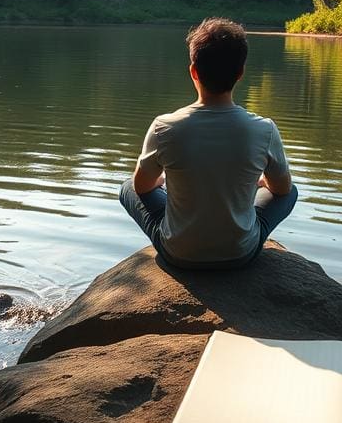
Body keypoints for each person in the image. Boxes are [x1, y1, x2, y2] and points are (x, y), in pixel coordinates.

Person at [119, 17, 297, 268]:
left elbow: (141, 186)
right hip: (240, 255)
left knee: (127, 187)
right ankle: (241, 235)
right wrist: (261, 182)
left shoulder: (165, 126)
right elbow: (282, 190)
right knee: (291, 191)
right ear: (240, 73)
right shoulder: (264, 129)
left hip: (178, 254)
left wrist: (161, 183)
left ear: (193, 71)